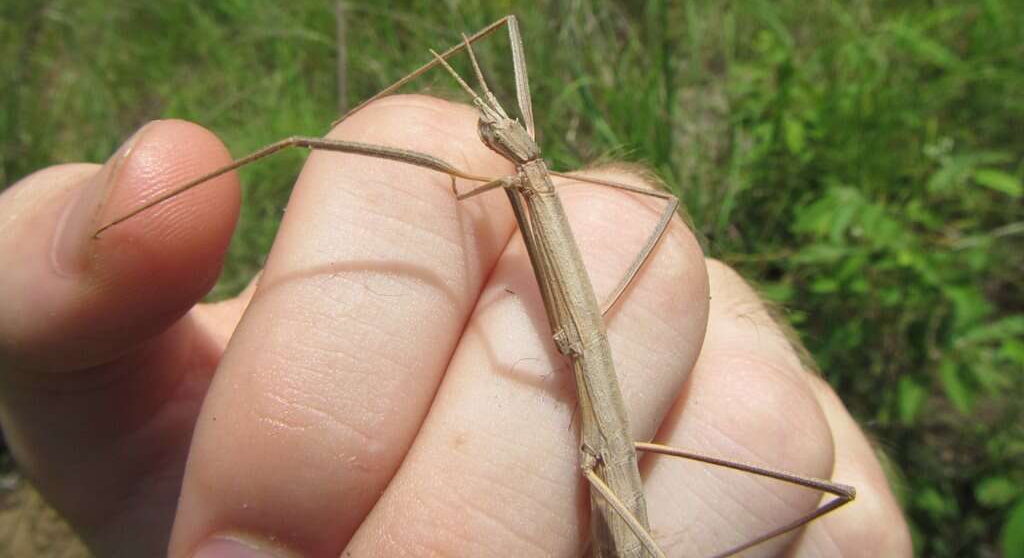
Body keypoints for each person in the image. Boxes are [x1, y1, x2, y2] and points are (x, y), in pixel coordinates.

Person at [0, 97, 911, 557]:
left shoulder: (540, 194)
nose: (498, 125)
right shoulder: (521, 182)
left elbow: (299, 144)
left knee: (813, 489)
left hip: (625, 483)